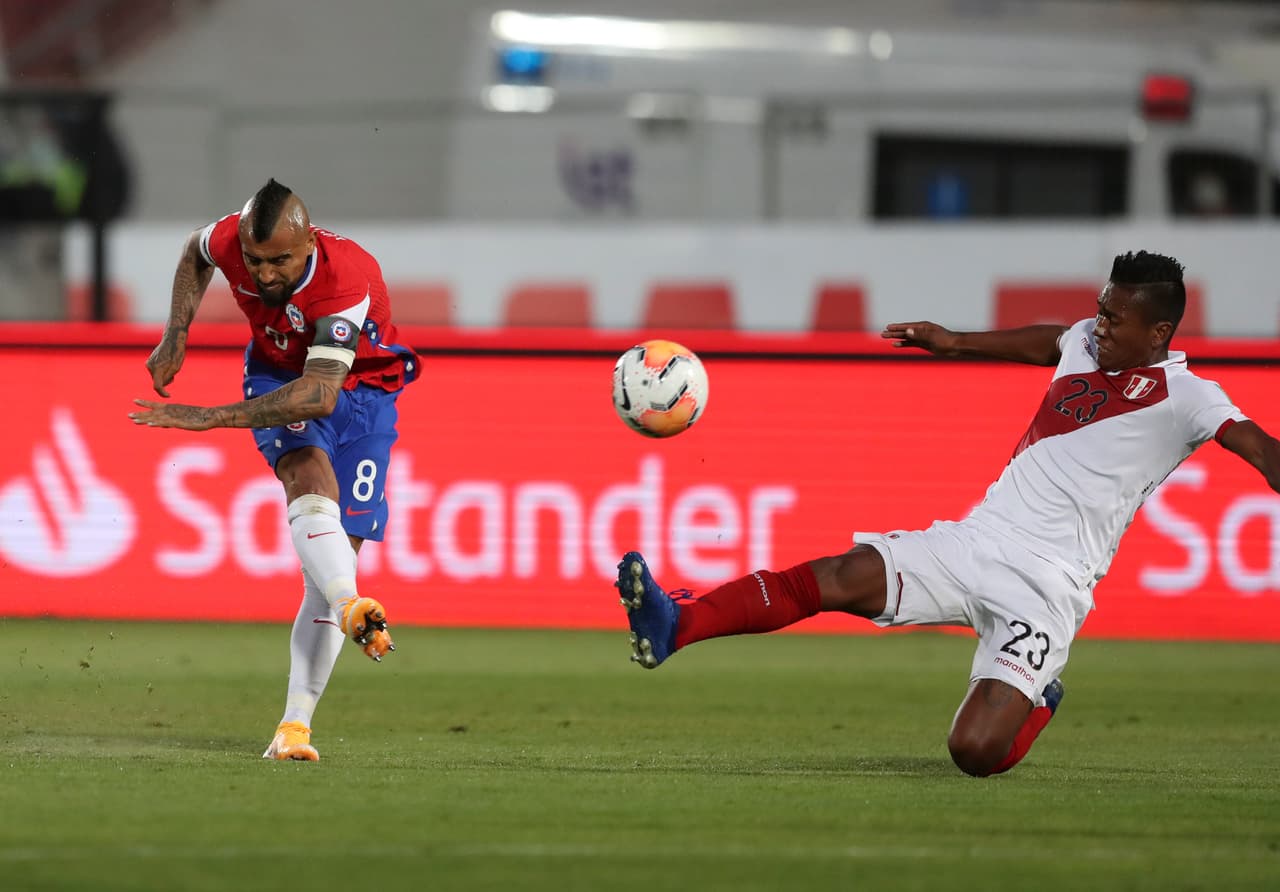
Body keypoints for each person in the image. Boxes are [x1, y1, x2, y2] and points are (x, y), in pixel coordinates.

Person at [614, 250, 1280, 777]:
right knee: (836, 576)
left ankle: (1038, 698)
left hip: (1049, 588)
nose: (1100, 325)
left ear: (1159, 331)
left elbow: (1258, 449)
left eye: (1116, 319)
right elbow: (1049, 341)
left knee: (974, 754)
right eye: (1101, 310)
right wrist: (952, 342)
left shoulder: (1192, 397)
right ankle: (677, 623)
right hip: (978, 540)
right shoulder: (1084, 341)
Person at [130, 178, 421, 761]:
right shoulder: (232, 240)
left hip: (359, 392)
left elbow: (318, 395)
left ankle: (294, 726)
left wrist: (208, 417)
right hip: (274, 374)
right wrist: (175, 334)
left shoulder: (345, 279)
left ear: (309, 242)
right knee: (306, 478)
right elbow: (195, 250)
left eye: (280, 261)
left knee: (330, 561)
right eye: (256, 261)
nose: (265, 275)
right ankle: (351, 608)